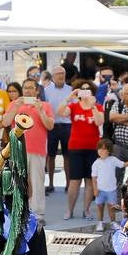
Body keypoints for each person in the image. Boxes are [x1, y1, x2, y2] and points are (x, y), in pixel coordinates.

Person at [3, 78, 53, 218]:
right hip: (18, 149)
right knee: (18, 182)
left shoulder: (45, 105)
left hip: (37, 149)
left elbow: (50, 126)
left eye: (31, 88)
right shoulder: (14, 104)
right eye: (25, 87)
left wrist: (41, 111)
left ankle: (38, 214)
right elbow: (6, 122)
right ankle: (19, 212)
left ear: (37, 90)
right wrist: (15, 106)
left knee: (37, 182)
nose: (28, 90)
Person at [59, 83, 104, 221]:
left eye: (87, 89)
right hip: (76, 147)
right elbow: (60, 112)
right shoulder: (73, 106)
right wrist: (69, 97)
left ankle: (86, 210)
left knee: (90, 180)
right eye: (82, 89)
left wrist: (92, 106)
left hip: (92, 148)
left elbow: (99, 122)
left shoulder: (98, 107)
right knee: (75, 181)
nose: (84, 92)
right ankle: (69, 210)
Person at [44, 65, 75, 194]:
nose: (60, 76)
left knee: (67, 155)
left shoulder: (71, 90)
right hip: (52, 126)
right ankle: (50, 183)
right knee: (50, 156)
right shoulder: (46, 90)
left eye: (62, 73)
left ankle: (68, 183)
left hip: (67, 125)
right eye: (57, 73)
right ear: (53, 76)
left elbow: (73, 106)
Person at [90, 140, 124, 231]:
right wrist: (95, 189)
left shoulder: (113, 160)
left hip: (111, 190)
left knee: (111, 207)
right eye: (99, 148)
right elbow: (94, 178)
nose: (101, 151)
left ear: (109, 151)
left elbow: (123, 164)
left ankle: (113, 222)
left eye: (104, 149)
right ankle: (100, 223)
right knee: (100, 206)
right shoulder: (96, 163)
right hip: (100, 190)